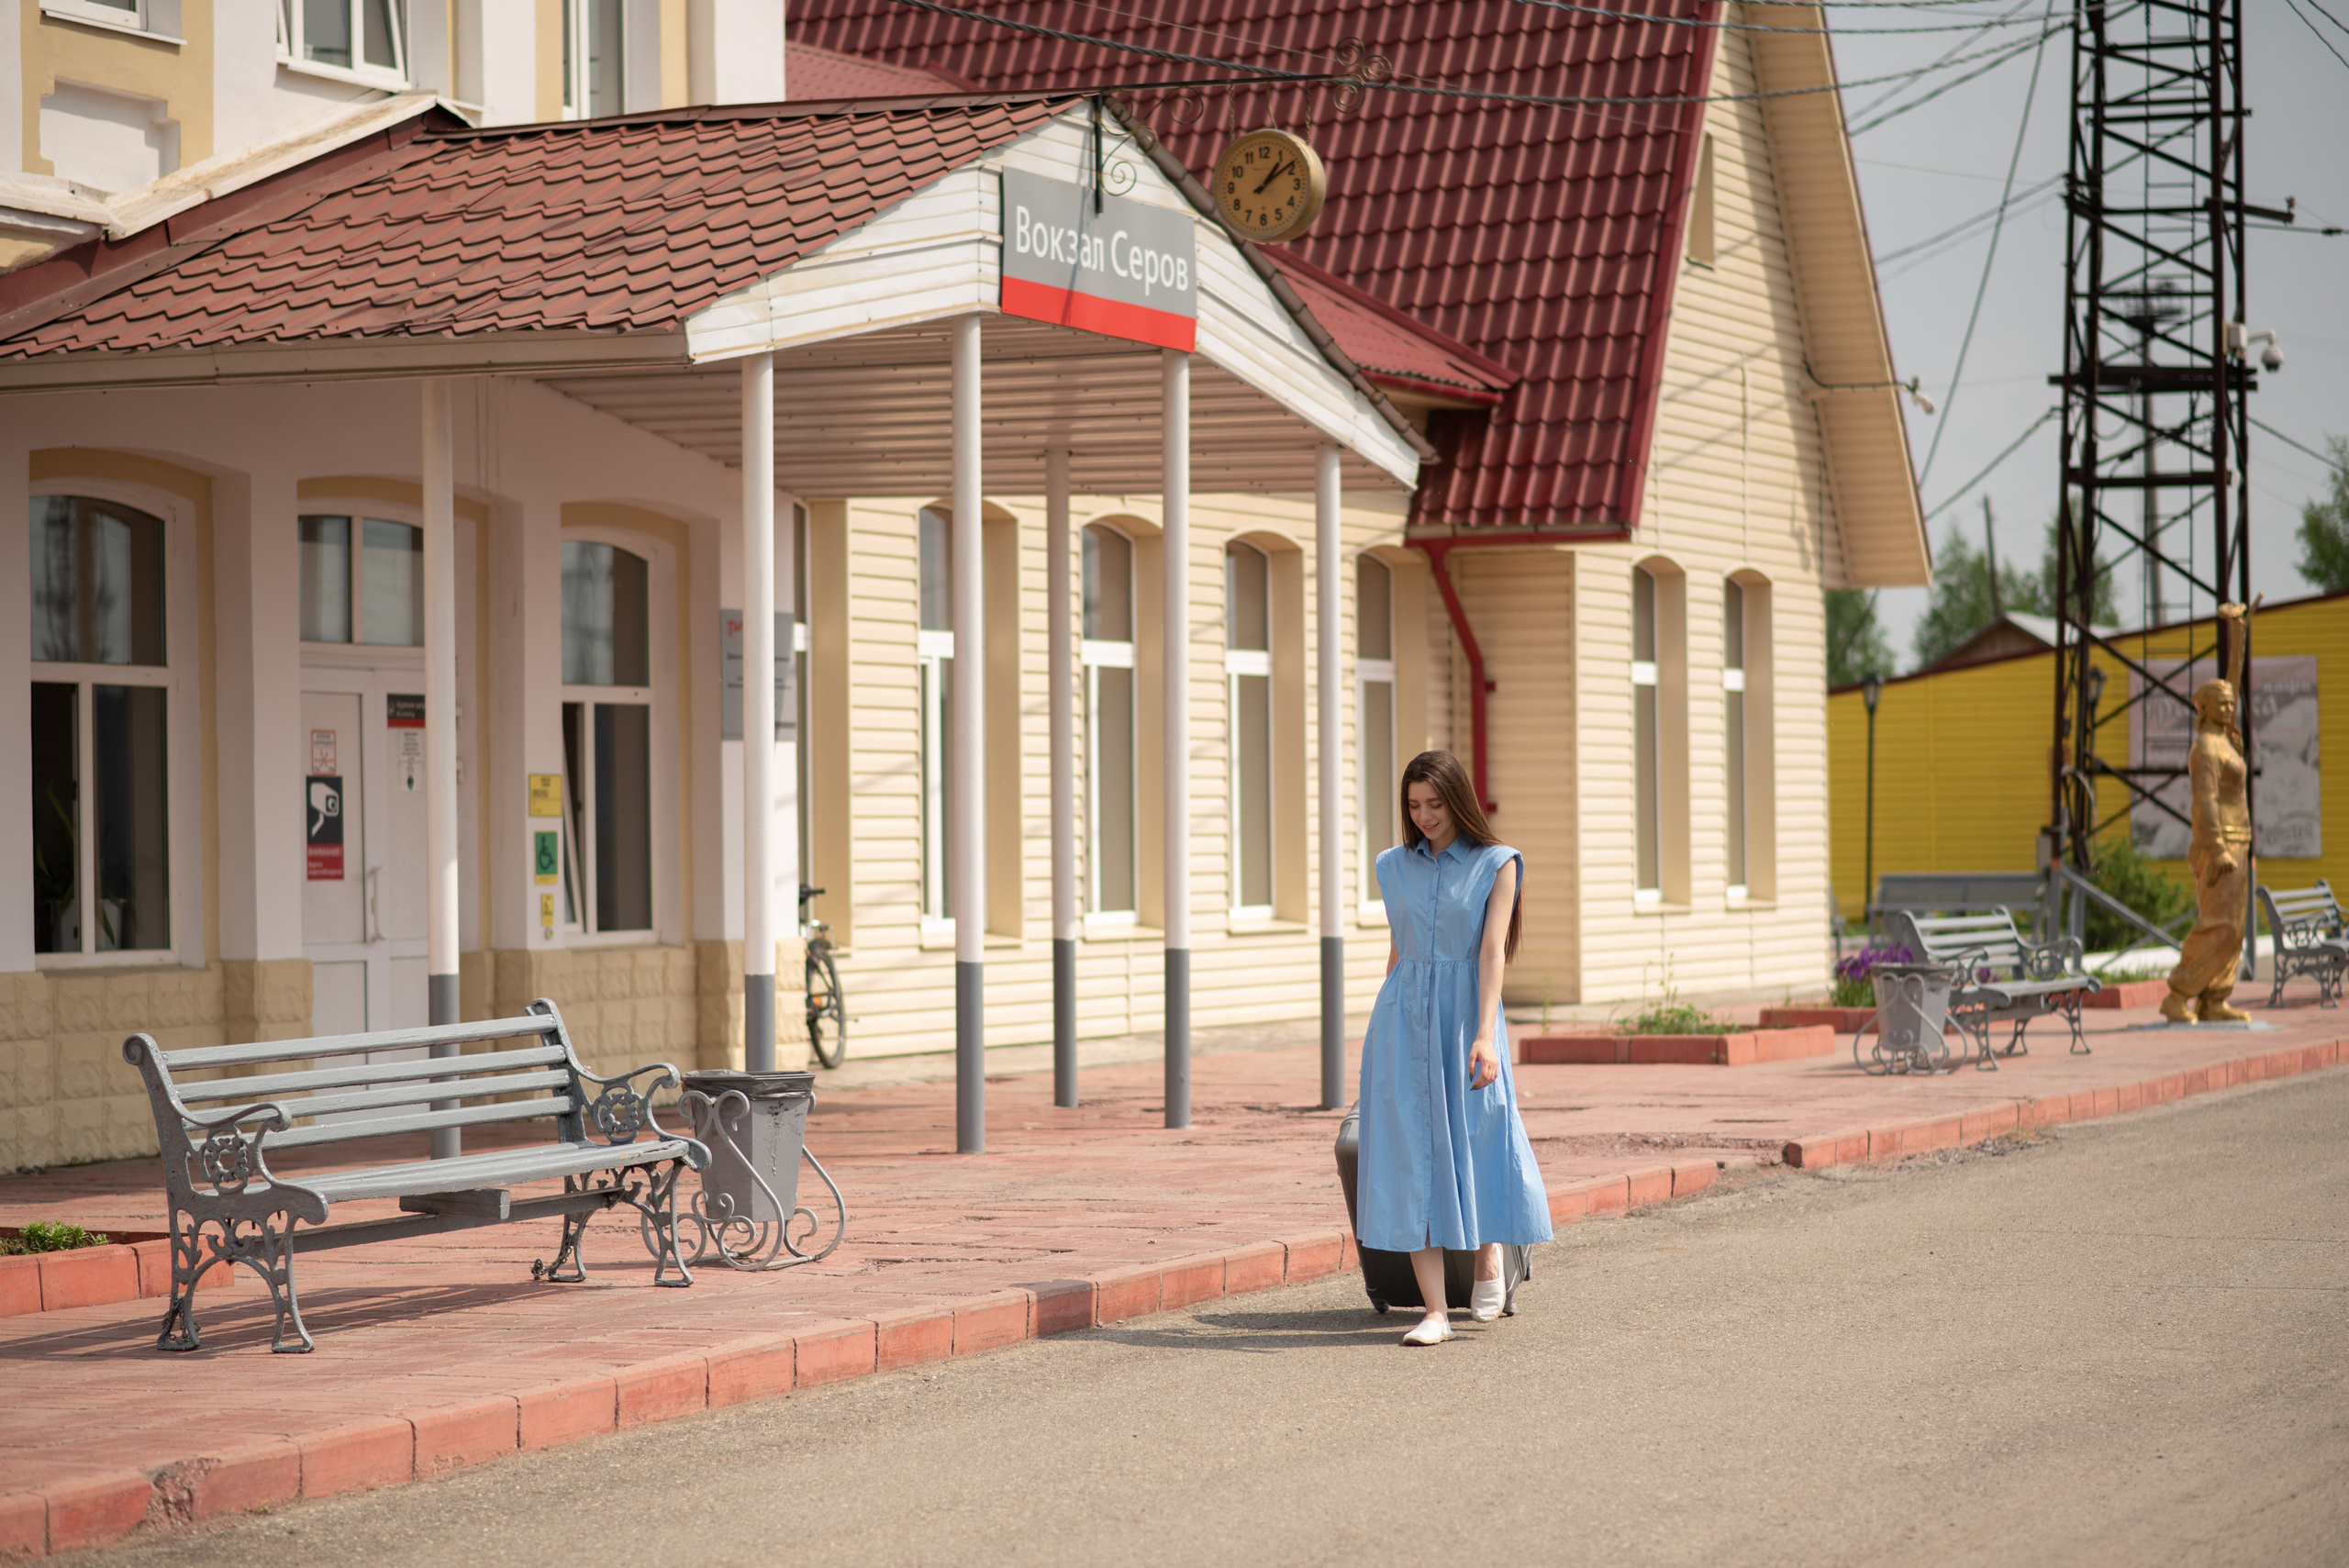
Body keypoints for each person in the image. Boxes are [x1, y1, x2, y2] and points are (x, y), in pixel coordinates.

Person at [1355, 749, 1553, 1345]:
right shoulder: (1391, 865)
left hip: (1470, 1016)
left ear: (1458, 800)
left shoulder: (1498, 863)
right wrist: (1381, 1029)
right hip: (1403, 1018)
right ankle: (1436, 1310)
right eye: (1414, 806)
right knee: (1411, 1153)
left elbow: (1493, 951)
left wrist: (1485, 1034)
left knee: (1481, 1135)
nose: (1424, 816)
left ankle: (1492, 1254)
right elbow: (1397, 949)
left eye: (1435, 804)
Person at [2163, 602, 2253, 1022]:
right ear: (2204, 708)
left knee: (2235, 927)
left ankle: (2215, 999)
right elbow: (2204, 802)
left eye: (2232, 703)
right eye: (2222, 703)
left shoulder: (2227, 740)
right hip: (2220, 844)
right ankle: (2178, 993)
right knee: (2220, 925)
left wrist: (2238, 635)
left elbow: (2233, 681)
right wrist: (2216, 848)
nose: (2230, 707)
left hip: (2240, 840)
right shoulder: (2205, 749)